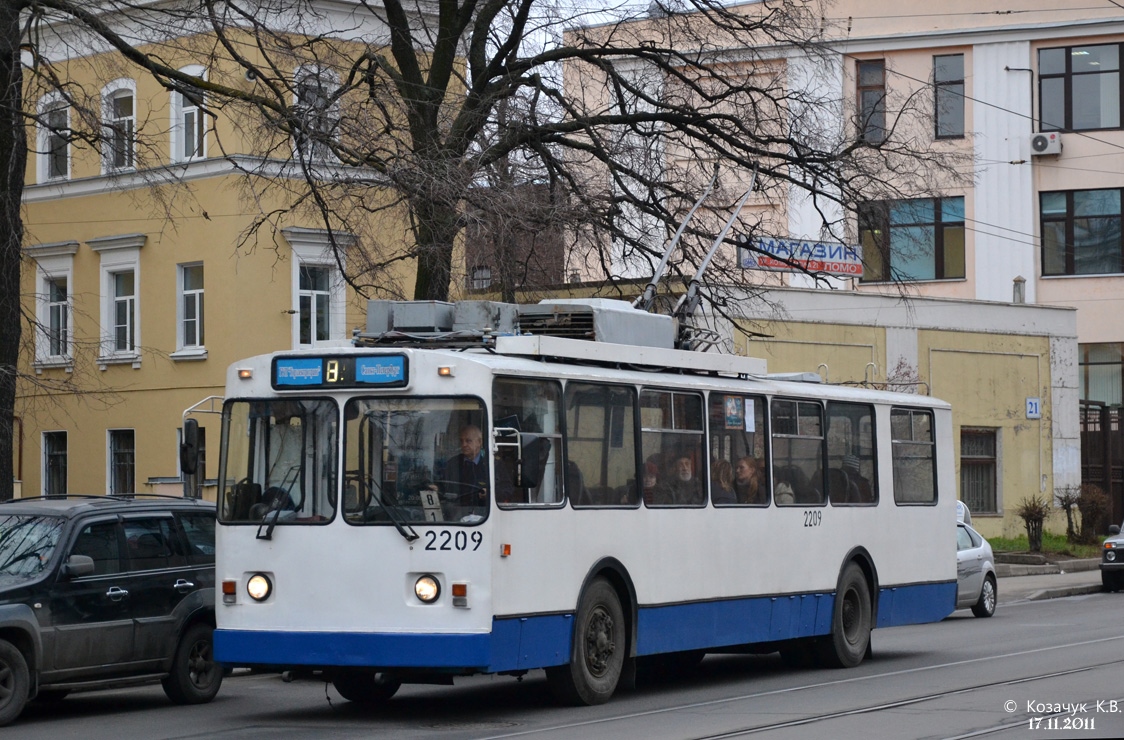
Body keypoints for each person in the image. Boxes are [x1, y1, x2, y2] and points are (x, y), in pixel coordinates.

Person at [439, 425, 489, 506]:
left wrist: (489, 493)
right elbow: (443, 485)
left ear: (479, 442)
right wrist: (436, 488)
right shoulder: (453, 463)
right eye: (461, 441)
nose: (464, 444)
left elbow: (507, 489)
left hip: (484, 512)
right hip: (457, 510)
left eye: (468, 441)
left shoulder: (492, 463)